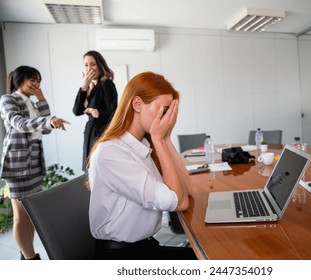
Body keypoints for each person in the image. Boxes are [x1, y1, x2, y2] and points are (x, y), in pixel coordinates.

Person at [87, 71, 197, 260]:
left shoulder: (142, 146)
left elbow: (187, 188)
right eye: (163, 111)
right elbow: (180, 202)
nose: (166, 119)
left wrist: (166, 137)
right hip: (122, 256)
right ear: (137, 104)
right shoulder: (112, 153)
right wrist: (159, 139)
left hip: (144, 247)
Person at [0, 66, 70, 260]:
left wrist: (42, 100)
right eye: (33, 80)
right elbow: (19, 123)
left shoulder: (32, 103)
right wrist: (49, 120)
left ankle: (26, 254)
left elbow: (46, 129)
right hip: (17, 164)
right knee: (20, 216)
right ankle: (31, 259)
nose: (36, 84)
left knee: (30, 216)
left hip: (34, 163)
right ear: (20, 79)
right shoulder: (8, 100)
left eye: (38, 81)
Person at [73, 50, 118, 171]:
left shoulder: (107, 84)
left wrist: (98, 113)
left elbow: (115, 113)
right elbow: (77, 111)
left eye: (93, 64)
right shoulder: (91, 87)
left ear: (100, 65)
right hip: (90, 133)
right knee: (90, 171)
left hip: (101, 134)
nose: (89, 68)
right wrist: (84, 86)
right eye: (86, 65)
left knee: (98, 170)